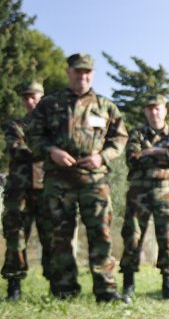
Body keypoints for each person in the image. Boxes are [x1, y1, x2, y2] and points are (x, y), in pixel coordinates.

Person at [27, 53, 128, 302]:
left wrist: (102, 157)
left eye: (87, 72)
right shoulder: (49, 104)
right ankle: (64, 289)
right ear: (68, 72)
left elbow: (120, 138)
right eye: (77, 71)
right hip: (59, 179)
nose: (83, 76)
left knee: (101, 234)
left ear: (92, 74)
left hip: (95, 179)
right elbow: (32, 136)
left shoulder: (106, 106)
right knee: (59, 235)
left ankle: (105, 289)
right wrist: (52, 151)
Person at [119, 94, 169, 300]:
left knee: (167, 237)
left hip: (166, 192)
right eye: (150, 108)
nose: (154, 112)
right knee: (132, 236)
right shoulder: (138, 133)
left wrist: (150, 151)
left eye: (157, 108)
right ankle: (128, 284)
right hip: (138, 192)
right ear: (145, 112)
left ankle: (168, 284)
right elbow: (132, 158)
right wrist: (162, 154)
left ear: (165, 110)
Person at [2, 81, 52, 300]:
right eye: (26, 97)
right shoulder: (15, 125)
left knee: (52, 238)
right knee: (16, 237)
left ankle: (56, 285)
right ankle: (14, 285)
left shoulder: (54, 126)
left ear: (43, 98)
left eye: (34, 96)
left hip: (47, 189)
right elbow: (15, 149)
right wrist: (50, 150)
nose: (30, 101)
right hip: (19, 190)